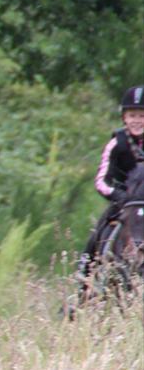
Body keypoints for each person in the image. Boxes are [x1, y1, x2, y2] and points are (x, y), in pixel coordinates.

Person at [78, 84, 144, 274]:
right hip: (124, 203)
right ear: (124, 117)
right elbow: (101, 181)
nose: (137, 121)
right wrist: (120, 196)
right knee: (99, 232)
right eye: (132, 115)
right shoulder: (116, 144)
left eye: (141, 116)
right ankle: (84, 277)